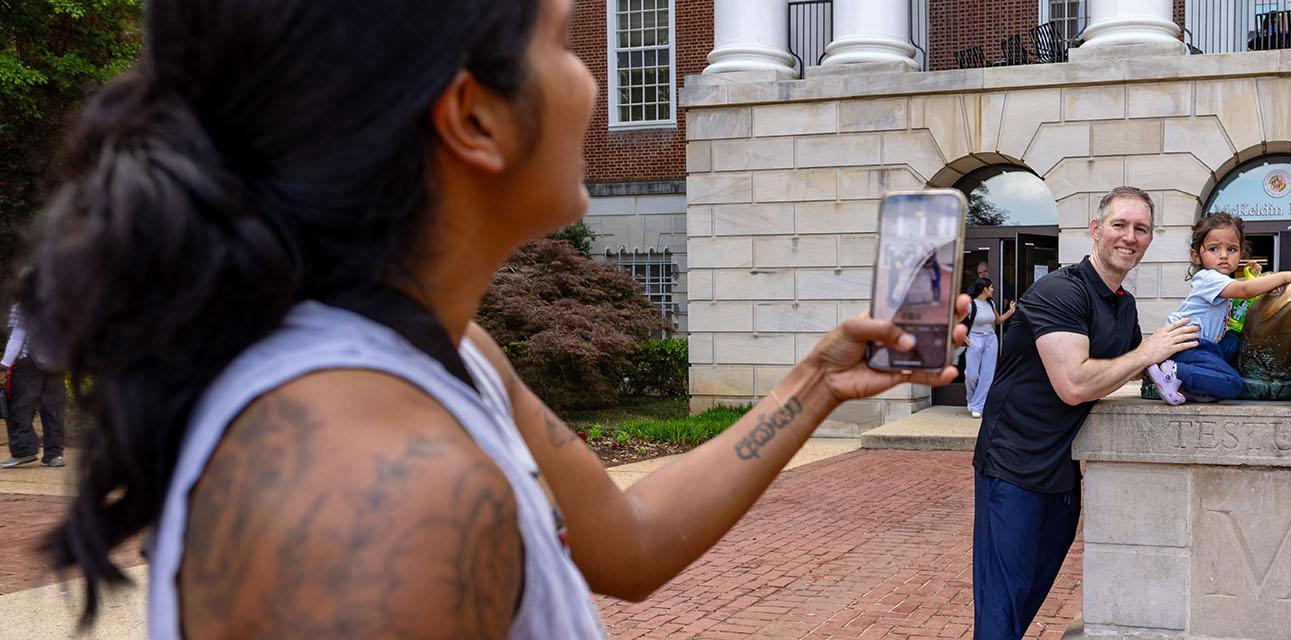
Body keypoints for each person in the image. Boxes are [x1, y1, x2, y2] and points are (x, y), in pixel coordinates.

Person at [21, 1, 973, 635]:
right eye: (561, 42)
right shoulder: (374, 496)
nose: (589, 81)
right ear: (473, 116)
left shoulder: (448, 351)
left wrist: (816, 385)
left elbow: (629, 541)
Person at [972, 186, 1199, 640]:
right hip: (1012, 467)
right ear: (1096, 230)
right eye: (1120, 225)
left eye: (1141, 229)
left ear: (1150, 240)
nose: (1129, 236)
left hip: (1062, 469)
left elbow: (1117, 374)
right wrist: (1147, 351)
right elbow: (1075, 384)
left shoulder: (1123, 304)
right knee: (1002, 604)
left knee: (1029, 596)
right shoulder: (1060, 290)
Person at [1145, 211, 1291, 404]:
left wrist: (1254, 274)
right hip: (1186, 346)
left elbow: (1244, 288)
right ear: (1196, 255)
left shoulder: (1221, 281)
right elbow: (1245, 290)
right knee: (1233, 383)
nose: (1223, 255)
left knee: (1234, 339)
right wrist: (1285, 276)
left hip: (1204, 344)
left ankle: (1191, 381)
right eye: (1214, 249)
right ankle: (1173, 371)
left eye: (1231, 250)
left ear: (1241, 253)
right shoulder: (1208, 278)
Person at [2, 303, 66, 468]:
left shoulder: (23, 303)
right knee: (53, 408)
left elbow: (17, 337)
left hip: (29, 362)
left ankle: (24, 450)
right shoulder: (62, 300)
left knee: (20, 406)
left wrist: (4, 364)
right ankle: (54, 455)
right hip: (56, 361)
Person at [963, 278, 1015, 419]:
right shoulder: (970, 305)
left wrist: (1010, 312)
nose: (993, 290)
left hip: (991, 339)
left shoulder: (991, 303)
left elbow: (997, 321)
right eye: (991, 287)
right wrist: (963, 336)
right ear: (984, 289)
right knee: (971, 375)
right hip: (975, 339)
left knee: (987, 376)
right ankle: (971, 399)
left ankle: (978, 407)